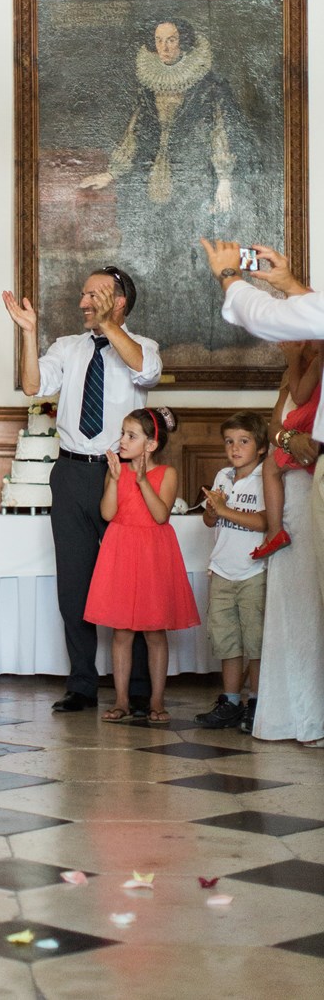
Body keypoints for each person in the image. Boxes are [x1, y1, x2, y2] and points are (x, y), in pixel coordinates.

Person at [3, 266, 162, 713]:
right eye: (83, 294)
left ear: (119, 302)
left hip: (121, 476)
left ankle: (138, 688)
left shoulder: (143, 347)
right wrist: (29, 334)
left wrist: (109, 324)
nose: (82, 303)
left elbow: (145, 372)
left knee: (129, 579)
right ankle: (82, 684)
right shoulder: (67, 348)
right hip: (71, 475)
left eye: (93, 295)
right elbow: (34, 386)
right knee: (75, 584)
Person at [201, 239, 324, 745]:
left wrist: (230, 276)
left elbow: (270, 321)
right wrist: (290, 283)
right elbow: (286, 418)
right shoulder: (299, 364)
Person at [80, 20, 266, 352]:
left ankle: (205, 332)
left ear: (184, 43)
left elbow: (219, 133)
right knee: (158, 254)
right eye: (159, 40)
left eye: (172, 40)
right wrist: (113, 172)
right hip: (157, 181)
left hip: (196, 181)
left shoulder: (209, 86)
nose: (165, 47)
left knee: (194, 254)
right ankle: (165, 331)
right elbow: (135, 131)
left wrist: (223, 181)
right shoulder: (149, 84)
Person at [84, 408, 199, 722]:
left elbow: (161, 515)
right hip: (121, 549)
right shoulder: (116, 471)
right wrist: (114, 480)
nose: (122, 440)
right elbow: (108, 514)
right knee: (121, 632)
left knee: (154, 632)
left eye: (130, 435)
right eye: (123, 433)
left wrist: (142, 480)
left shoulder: (168, 474)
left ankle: (157, 701)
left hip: (152, 553)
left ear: (150, 445)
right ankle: (120, 700)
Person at [195, 411, 269, 732]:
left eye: (243, 441)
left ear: (261, 447)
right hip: (222, 568)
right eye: (229, 442)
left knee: (255, 640)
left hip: (253, 570)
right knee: (227, 640)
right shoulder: (224, 476)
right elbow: (211, 522)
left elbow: (265, 522)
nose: (234, 448)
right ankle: (229, 701)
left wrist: (227, 509)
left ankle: (256, 702)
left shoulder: (266, 478)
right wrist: (213, 511)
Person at [250, 342, 321, 560]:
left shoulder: (317, 363)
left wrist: (292, 359)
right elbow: (274, 427)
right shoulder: (298, 372)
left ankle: (274, 532)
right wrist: (289, 440)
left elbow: (300, 397)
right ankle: (275, 531)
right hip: (290, 496)